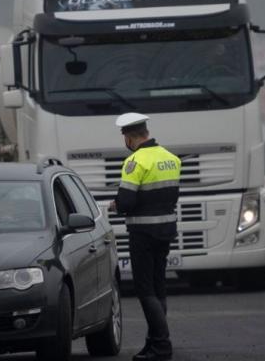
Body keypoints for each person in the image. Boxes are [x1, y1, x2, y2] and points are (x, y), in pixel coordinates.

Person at [109, 113, 181, 361]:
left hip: (143, 233)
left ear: (129, 138)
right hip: (166, 231)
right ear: (146, 132)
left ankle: (162, 345)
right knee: (159, 287)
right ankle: (153, 343)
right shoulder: (171, 158)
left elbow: (127, 201)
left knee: (145, 289)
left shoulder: (135, 161)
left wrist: (114, 205)